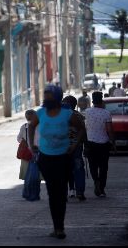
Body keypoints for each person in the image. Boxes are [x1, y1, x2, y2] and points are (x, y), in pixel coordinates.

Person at [28, 84, 86, 240]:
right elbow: (30, 127)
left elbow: (81, 128)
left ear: (57, 98)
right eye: (45, 96)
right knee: (53, 193)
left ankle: (60, 227)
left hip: (64, 158)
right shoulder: (40, 113)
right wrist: (32, 145)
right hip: (46, 159)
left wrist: (74, 145)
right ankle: (57, 227)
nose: (46, 99)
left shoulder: (67, 114)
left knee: (60, 194)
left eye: (49, 96)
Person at [84, 91, 116, 198]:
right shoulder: (106, 113)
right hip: (103, 143)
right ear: (102, 101)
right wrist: (112, 142)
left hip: (90, 143)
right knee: (103, 167)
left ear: (92, 101)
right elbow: (109, 130)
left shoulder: (87, 112)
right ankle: (101, 188)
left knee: (92, 165)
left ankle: (96, 181)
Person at [62, 95, 87, 202]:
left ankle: (76, 192)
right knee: (77, 169)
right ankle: (79, 192)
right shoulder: (79, 115)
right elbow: (84, 132)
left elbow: (82, 131)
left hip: (69, 148)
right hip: (73, 147)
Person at [17, 110, 40, 180]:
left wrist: (23, 141)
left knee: (28, 175)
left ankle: (28, 189)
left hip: (27, 153)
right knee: (37, 175)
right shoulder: (40, 125)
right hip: (37, 151)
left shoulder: (24, 126)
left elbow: (18, 138)